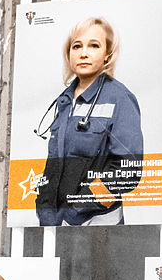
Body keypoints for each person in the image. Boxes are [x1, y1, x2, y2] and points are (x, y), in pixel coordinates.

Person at [34, 17, 144, 226]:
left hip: (96, 226)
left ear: (107, 54)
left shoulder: (119, 98)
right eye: (77, 46)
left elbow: (128, 169)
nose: (83, 53)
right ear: (68, 53)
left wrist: (78, 207)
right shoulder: (65, 101)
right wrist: (45, 210)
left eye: (94, 45)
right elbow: (54, 164)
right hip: (54, 224)